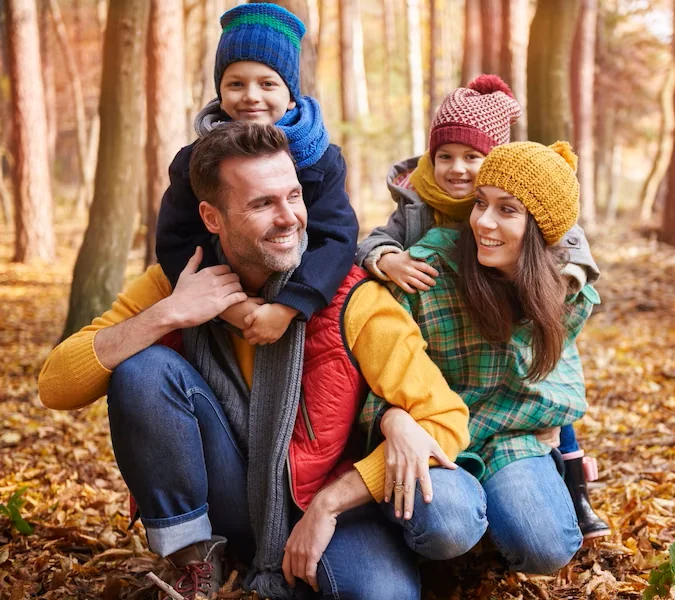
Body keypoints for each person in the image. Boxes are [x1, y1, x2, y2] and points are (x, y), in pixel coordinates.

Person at [38, 123, 485, 600]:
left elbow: (446, 418)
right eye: (261, 204)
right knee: (140, 370)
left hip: (325, 498)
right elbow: (56, 385)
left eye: (293, 196)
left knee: (383, 593)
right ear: (212, 217)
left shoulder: (348, 297)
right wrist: (167, 313)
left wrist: (330, 505)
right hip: (230, 491)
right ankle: (193, 559)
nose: (289, 218)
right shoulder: (180, 282)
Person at [357, 75, 609, 538]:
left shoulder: (538, 214)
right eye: (445, 156)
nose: (457, 169)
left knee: (546, 530)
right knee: (446, 522)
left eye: (472, 158)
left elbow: (569, 240)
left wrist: (567, 280)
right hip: (439, 401)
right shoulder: (418, 210)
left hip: (511, 412)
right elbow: (375, 242)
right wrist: (387, 258)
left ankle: (568, 486)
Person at [156, 2, 359, 345]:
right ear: (220, 91)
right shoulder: (193, 162)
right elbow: (177, 240)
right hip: (223, 305)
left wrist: (290, 306)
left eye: (267, 84)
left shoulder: (320, 159)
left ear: (291, 96)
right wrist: (229, 306)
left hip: (305, 309)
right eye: (236, 84)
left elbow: (337, 238)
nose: (251, 97)